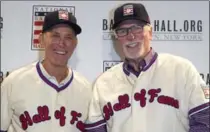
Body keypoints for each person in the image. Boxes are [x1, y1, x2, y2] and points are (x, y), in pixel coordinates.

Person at [85, 3, 210, 132]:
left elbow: (204, 121)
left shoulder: (182, 70)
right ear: (117, 38)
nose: (131, 36)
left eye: (137, 28)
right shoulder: (103, 83)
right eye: (122, 31)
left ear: (150, 32)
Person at [1, 10, 92, 132]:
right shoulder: (14, 82)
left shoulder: (86, 89)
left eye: (68, 37)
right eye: (55, 36)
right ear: (41, 39)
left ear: (75, 43)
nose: (61, 43)